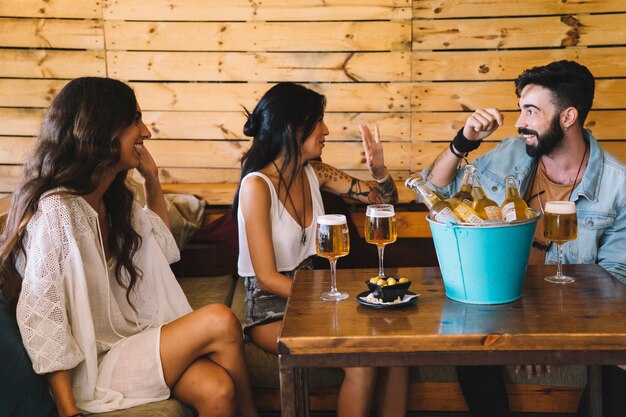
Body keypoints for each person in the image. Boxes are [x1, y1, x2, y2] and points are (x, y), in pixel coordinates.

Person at [0, 77, 258, 417]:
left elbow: (162, 248)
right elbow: (43, 317)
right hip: (90, 367)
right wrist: (68, 411)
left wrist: (152, 179)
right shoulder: (56, 212)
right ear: (102, 128)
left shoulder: (114, 198)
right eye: (135, 119)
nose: (146, 132)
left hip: (126, 343)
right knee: (220, 320)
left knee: (218, 390)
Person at [422, 60, 626, 416]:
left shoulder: (618, 184)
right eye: (521, 110)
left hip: (569, 314)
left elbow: (613, 283)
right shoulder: (512, 153)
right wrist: (463, 142)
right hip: (498, 299)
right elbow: (433, 189)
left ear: (568, 117)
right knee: (469, 342)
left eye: (531, 111)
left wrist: (545, 331)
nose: (519, 123)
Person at [234, 82, 408, 417]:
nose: (326, 130)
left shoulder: (316, 172)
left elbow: (384, 202)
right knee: (362, 365)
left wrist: (380, 172)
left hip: (317, 300)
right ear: (292, 128)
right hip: (271, 312)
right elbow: (268, 278)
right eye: (319, 121)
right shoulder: (257, 185)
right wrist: (333, 297)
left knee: (393, 350)